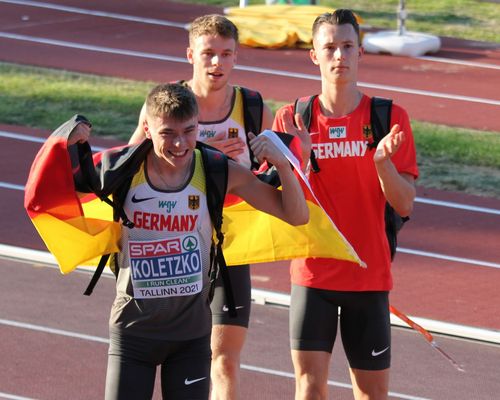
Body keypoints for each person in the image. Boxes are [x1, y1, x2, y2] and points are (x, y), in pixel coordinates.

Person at [63, 83, 308, 399]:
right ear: (147, 130)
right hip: (132, 334)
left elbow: (296, 216)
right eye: (168, 133)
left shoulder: (216, 171)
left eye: (189, 131)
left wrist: (285, 165)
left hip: (191, 339)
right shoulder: (122, 169)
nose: (180, 144)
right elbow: (58, 194)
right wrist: (67, 142)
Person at [272, 9, 419, 400]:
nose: (340, 56)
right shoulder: (291, 119)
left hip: (368, 276)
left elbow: (404, 205)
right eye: (330, 47)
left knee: (371, 395)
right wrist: (296, 165)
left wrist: (382, 164)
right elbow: (274, 205)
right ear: (314, 56)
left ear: (361, 51)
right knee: (309, 389)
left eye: (348, 46)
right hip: (312, 276)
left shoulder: (388, 117)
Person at [129, 14, 275, 400]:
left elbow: (272, 180)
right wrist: (205, 158)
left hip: (229, 247)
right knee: (166, 354)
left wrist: (245, 170)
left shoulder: (252, 106)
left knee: (224, 358)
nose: (217, 63)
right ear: (190, 53)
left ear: (236, 56)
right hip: (173, 247)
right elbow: (129, 171)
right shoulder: (164, 104)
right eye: (208, 53)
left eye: (227, 54)